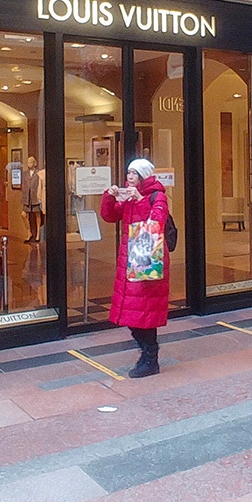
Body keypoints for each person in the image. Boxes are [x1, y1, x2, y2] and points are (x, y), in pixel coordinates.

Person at [100, 158, 169, 378]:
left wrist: (139, 200)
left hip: (148, 260)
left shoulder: (157, 196)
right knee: (131, 311)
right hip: (130, 259)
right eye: (128, 173)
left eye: (134, 173)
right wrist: (109, 197)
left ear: (143, 176)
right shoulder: (129, 196)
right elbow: (110, 216)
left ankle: (150, 358)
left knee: (144, 311)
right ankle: (147, 354)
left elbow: (157, 221)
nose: (129, 177)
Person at [21, 156, 45, 242]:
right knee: (23, 214)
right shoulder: (25, 173)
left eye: (31, 162)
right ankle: (29, 232)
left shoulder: (38, 173)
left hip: (36, 196)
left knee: (37, 214)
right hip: (27, 197)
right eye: (28, 162)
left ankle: (38, 233)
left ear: (34, 163)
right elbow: (23, 184)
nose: (29, 164)